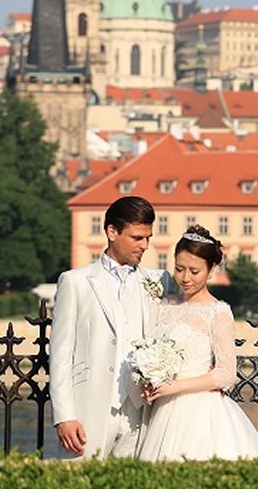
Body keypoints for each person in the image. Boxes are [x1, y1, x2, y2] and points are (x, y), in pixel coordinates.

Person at [49, 196, 176, 459]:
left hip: (141, 412)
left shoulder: (160, 280)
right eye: (137, 238)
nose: (145, 246)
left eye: (148, 238)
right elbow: (60, 355)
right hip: (88, 407)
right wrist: (64, 416)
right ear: (111, 232)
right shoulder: (76, 282)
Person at [135, 225, 258, 461]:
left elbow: (227, 374)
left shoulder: (217, 312)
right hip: (163, 408)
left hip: (200, 410)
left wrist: (173, 387)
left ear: (211, 270)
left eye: (194, 271)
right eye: (179, 269)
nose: (185, 278)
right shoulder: (165, 305)